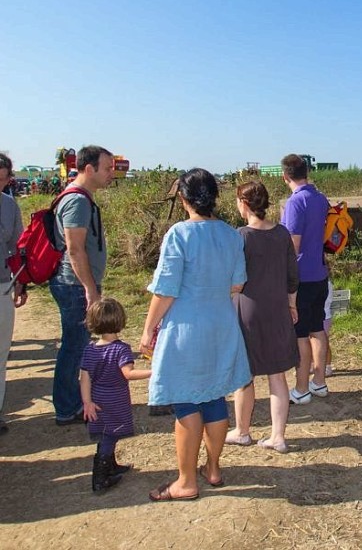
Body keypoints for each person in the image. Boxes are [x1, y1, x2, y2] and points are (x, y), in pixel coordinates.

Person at [140, 168, 251, 502]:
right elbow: (237, 284)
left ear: (184, 197)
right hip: (221, 324)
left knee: (187, 401)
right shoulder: (232, 235)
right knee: (215, 397)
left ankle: (186, 481)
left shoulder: (178, 234)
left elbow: (165, 290)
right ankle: (213, 468)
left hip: (186, 328)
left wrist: (148, 330)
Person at [226, 181, 299, 453]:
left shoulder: (240, 236)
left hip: (247, 310)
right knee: (277, 375)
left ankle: (242, 431)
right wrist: (292, 305)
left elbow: (236, 282)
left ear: (243, 204)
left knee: (244, 376)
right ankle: (277, 436)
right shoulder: (282, 234)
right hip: (278, 307)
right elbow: (293, 276)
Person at [51, 145, 115, 425]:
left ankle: (72, 402)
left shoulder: (83, 198)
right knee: (74, 347)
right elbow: (75, 249)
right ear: (89, 169)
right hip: (74, 285)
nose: (112, 173)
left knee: (77, 345)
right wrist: (90, 288)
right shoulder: (77, 201)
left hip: (76, 284)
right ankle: (67, 408)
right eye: (108, 168)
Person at [80, 298, 151, 493]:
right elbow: (127, 373)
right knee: (109, 436)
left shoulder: (90, 349)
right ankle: (101, 478)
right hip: (114, 400)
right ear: (120, 321)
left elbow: (84, 377)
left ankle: (111, 465)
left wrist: (87, 402)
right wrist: (153, 373)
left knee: (106, 433)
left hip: (97, 399)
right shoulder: (121, 349)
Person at [280, 153, 330, 404]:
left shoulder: (294, 203)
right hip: (320, 273)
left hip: (301, 277)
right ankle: (319, 382)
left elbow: (293, 245)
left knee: (300, 334)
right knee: (317, 328)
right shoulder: (320, 198)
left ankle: (301, 388)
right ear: (307, 171)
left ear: (285, 176)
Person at [0, 153, 27, 435]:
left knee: (1, 352)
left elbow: (17, 246)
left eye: (2, 179)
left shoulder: (9, 206)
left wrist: (21, 281)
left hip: (2, 285)